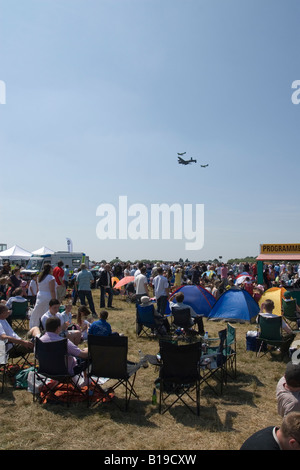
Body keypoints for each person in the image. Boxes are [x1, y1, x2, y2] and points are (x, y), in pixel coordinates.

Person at [29, 264, 56, 329]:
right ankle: (47, 325)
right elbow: (52, 290)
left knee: (38, 310)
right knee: (47, 310)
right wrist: (54, 300)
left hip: (40, 295)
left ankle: (34, 324)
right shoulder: (51, 278)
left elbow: (38, 288)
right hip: (47, 295)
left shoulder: (39, 277)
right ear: (50, 269)